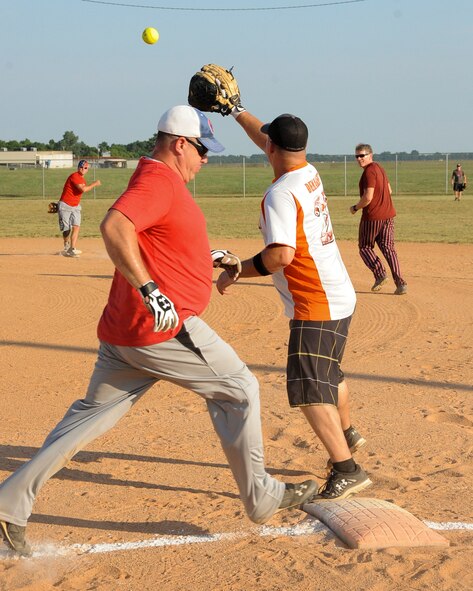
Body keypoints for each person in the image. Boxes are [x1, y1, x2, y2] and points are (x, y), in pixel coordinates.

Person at [0, 105, 317, 557]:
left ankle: (9, 506)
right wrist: (150, 289)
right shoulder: (156, 180)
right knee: (240, 389)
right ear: (179, 144)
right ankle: (261, 496)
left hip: (125, 333)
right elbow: (116, 226)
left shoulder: (157, 177)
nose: (206, 160)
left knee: (84, 422)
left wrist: (206, 257)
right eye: (202, 151)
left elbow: (155, 239)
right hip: (162, 329)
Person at [216, 108, 372, 502]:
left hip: (314, 301)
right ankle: (348, 433)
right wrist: (237, 111)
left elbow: (281, 255)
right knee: (328, 373)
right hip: (339, 293)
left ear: (271, 147)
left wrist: (238, 269)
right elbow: (269, 139)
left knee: (307, 388)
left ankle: (346, 469)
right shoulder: (306, 171)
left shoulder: (279, 194)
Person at [350, 144, 407, 295]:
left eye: (362, 155)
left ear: (370, 155)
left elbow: (368, 197)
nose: (359, 159)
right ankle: (400, 283)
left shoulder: (369, 172)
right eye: (357, 156)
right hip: (388, 215)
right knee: (388, 249)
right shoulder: (379, 168)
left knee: (365, 247)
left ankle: (380, 274)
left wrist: (355, 207)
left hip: (373, 217)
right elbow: (389, 190)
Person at [58, 159, 101, 257]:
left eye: (85, 168)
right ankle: (66, 244)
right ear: (78, 168)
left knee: (76, 226)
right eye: (81, 167)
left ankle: (72, 248)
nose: (83, 169)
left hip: (76, 206)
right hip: (65, 205)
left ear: (87, 169)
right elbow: (83, 189)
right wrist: (95, 183)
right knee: (66, 229)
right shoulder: (74, 176)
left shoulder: (82, 179)